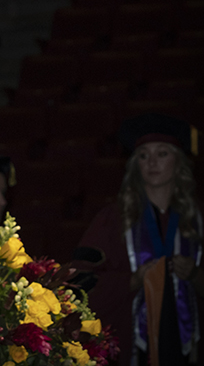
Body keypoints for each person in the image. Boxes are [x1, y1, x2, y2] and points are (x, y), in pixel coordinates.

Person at [74, 113, 203, 366]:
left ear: (179, 163)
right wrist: (132, 280)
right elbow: (81, 280)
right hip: (131, 342)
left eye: (162, 154)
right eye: (143, 156)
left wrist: (196, 275)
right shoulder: (112, 218)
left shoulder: (199, 218)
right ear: (135, 164)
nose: (152, 162)